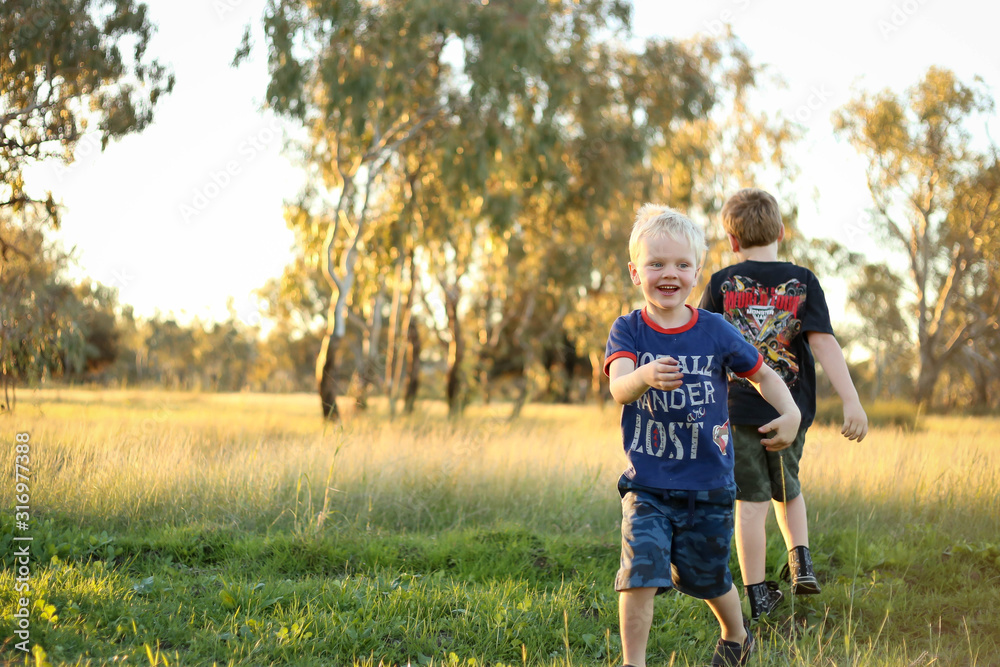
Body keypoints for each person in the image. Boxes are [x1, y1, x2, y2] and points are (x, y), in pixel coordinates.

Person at [604, 204, 801, 667]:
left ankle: (736, 633)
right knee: (639, 573)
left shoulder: (714, 329)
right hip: (647, 484)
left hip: (709, 486)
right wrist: (645, 375)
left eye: (681, 264)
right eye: (656, 264)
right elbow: (618, 387)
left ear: (696, 271)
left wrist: (790, 412)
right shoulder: (628, 330)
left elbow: (763, 376)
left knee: (707, 578)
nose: (668, 273)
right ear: (636, 272)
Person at [698, 188, 868, 622]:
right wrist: (851, 400)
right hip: (790, 411)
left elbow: (702, 347)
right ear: (781, 231)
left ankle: (756, 594)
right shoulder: (803, 281)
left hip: (737, 412)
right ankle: (801, 564)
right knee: (788, 489)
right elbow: (824, 342)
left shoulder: (721, 284)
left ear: (733, 242)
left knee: (750, 504)